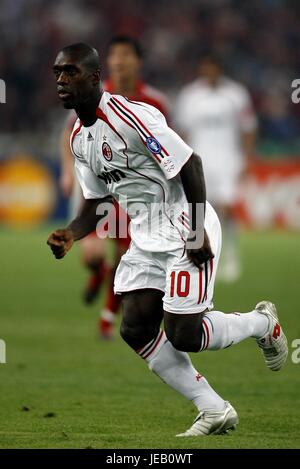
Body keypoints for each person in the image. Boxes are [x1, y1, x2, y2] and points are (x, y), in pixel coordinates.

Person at [48, 43, 288, 436]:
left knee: (185, 334)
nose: (61, 80)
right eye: (57, 72)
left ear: (94, 78)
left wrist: (195, 231)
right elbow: (96, 201)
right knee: (136, 327)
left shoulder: (131, 117)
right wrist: (72, 234)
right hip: (146, 235)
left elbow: (191, 164)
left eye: (70, 72)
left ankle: (262, 323)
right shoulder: (78, 138)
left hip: (184, 226)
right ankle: (213, 409)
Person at [60, 35, 169, 338]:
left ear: (138, 61)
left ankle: (108, 316)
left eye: (126, 55)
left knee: (125, 252)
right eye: (114, 55)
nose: (119, 61)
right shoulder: (93, 93)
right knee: (93, 255)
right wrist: (68, 171)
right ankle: (99, 273)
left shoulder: (154, 102)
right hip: (98, 184)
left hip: (133, 190)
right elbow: (68, 134)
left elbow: (168, 147)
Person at [174, 53, 257, 282]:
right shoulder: (190, 95)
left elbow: (248, 128)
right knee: (202, 209)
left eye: (213, 68)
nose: (209, 72)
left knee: (228, 207)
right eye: (206, 68)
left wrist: (247, 158)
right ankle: (209, 255)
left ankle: (230, 254)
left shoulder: (236, 94)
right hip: (199, 159)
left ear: (219, 69)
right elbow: (181, 131)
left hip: (229, 158)